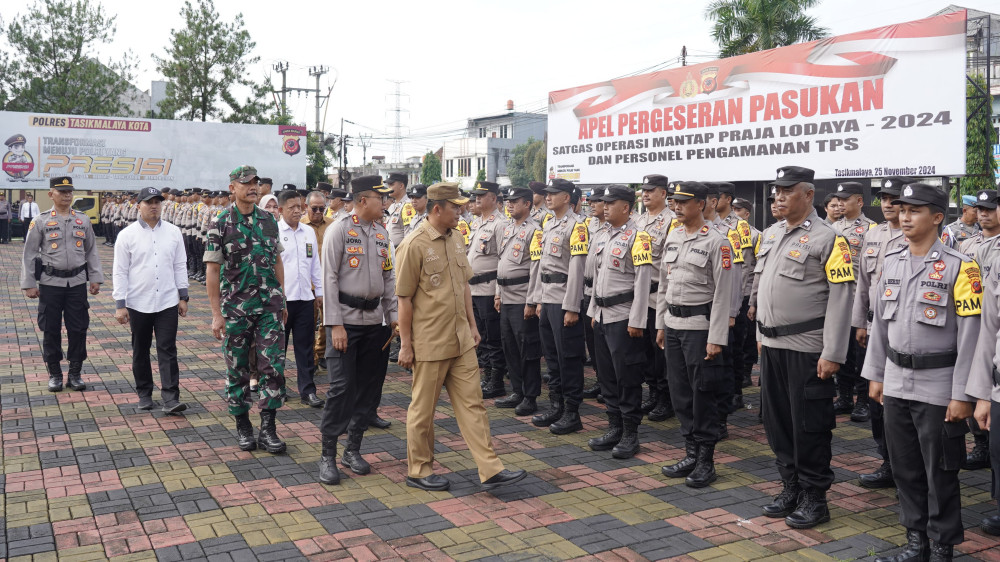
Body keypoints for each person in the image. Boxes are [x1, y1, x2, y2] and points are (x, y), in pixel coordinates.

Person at [863, 182, 981, 562]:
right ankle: (916, 542)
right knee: (905, 469)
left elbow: (971, 337)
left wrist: (962, 393)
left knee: (940, 472)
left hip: (938, 386)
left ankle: (942, 545)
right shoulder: (893, 260)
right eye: (902, 209)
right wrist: (876, 374)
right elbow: (880, 324)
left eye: (915, 210)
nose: (905, 216)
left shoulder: (962, 267)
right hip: (896, 380)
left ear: (936, 217)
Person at [395, 181, 527, 492]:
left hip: (460, 339)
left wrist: (472, 325)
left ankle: (490, 468)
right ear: (437, 209)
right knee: (423, 410)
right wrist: (406, 344)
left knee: (473, 405)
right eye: (456, 206)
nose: (462, 210)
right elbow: (403, 298)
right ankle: (419, 470)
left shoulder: (456, 237)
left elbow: (464, 285)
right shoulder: (414, 244)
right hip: (429, 341)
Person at [754, 166, 854, 529]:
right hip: (773, 343)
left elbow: (842, 299)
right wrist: (760, 336)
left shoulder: (829, 239)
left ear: (808, 195)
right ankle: (790, 486)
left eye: (787, 190)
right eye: (776, 190)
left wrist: (833, 353)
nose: (778, 196)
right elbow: (762, 289)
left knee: (809, 425)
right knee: (778, 422)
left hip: (808, 348)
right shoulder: (771, 234)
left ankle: (815, 496)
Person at [204, 165, 289, 454]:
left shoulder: (268, 220)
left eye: (255, 182)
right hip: (236, 309)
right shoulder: (220, 223)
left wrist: (283, 299)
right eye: (246, 183)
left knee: (272, 367)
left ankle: (268, 429)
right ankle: (243, 425)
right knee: (237, 368)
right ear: (233, 188)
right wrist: (216, 314)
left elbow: (277, 261)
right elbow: (213, 271)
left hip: (269, 306)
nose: (253, 187)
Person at [317, 175, 396, 484]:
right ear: (364, 200)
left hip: (376, 324)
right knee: (341, 389)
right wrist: (335, 324)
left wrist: (393, 318)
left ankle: (353, 449)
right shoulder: (339, 229)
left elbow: (389, 279)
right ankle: (328, 455)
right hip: (346, 324)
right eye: (381, 198)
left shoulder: (381, 233)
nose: (385, 203)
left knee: (368, 388)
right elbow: (329, 279)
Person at [656, 181, 735, 486]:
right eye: (674, 202)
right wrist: (661, 325)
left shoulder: (718, 242)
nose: (676, 207)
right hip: (674, 326)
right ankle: (690, 451)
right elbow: (665, 284)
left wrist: (716, 338)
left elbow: (723, 294)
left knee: (703, 394)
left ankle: (706, 460)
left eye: (683, 202)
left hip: (700, 330)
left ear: (701, 204)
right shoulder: (673, 235)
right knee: (680, 393)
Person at [851, 177, 911, 490]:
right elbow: (864, 282)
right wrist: (859, 322)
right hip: (874, 328)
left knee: (900, 401)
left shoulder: (920, 234)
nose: (888, 204)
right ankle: (887, 461)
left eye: (894, 199)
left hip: (904, 331)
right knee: (876, 399)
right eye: (884, 198)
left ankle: (907, 467)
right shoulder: (873, 234)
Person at [586, 185, 652, 459]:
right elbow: (598, 277)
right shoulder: (602, 235)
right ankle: (613, 427)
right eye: (604, 203)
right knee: (607, 376)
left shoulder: (639, 238)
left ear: (625, 207)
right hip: (601, 315)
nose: (605, 207)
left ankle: (630, 433)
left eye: (610, 203)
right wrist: (592, 311)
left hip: (624, 317)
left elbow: (643, 282)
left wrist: (637, 320)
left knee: (627, 377)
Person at [20, 176, 103, 392]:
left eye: (69, 191)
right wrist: (29, 283)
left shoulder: (82, 220)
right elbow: (29, 254)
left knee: (78, 329)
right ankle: (55, 374)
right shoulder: (40, 221)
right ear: (51, 194)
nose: (67, 195)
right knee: (50, 329)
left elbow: (91, 250)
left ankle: (75, 373)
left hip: (77, 283)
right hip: (50, 283)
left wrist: (95, 277)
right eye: (62, 191)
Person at [112, 187, 189, 413]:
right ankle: (144, 394)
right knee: (141, 349)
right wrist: (120, 303)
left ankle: (171, 398)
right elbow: (120, 271)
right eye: (148, 202)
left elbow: (179, 265)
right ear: (139, 206)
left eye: (157, 202)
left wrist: (183, 296)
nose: (154, 206)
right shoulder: (127, 235)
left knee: (167, 349)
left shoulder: (174, 232)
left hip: (167, 300)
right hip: (138, 302)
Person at [529, 178, 589, 434]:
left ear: (567, 197)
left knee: (569, 358)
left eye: (554, 193)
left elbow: (577, 268)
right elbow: (543, 266)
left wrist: (572, 306)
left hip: (565, 298)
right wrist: (540, 299)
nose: (548, 197)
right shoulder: (548, 223)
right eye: (547, 193)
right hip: (548, 297)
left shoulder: (578, 226)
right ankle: (556, 405)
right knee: (552, 357)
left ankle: (572, 412)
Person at [955, 189, 999, 472]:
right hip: (971, 325)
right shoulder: (966, 245)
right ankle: (980, 443)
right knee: (971, 385)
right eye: (980, 209)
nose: (983, 213)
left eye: (990, 209)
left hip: (993, 327)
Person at [493, 187, 543, 415]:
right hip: (505, 296)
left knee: (527, 349)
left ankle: (530, 396)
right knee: (509, 347)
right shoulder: (507, 228)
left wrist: (532, 302)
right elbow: (501, 263)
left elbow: (536, 269)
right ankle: (517, 391)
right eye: (508, 201)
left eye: (515, 201)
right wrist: (497, 293)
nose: (509, 204)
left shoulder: (535, 231)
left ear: (527, 204)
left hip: (523, 297)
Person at [830, 182, 877, 423]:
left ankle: (863, 401)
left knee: (861, 353)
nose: (839, 203)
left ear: (859, 201)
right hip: (838, 299)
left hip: (860, 299)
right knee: (843, 351)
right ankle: (845, 397)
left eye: (845, 199)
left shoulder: (871, 229)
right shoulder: (832, 227)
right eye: (837, 199)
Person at [276, 189, 324, 407]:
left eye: (300, 207)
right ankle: (278, 388)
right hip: (282, 301)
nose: (297, 211)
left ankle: (308, 390)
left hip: (306, 298)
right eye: (291, 207)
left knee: (305, 348)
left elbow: (315, 265)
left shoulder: (308, 232)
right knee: (279, 348)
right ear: (280, 210)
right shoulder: (273, 231)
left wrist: (320, 292)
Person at [635, 175, 676, 418]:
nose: (646, 194)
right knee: (645, 351)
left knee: (661, 350)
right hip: (639, 296)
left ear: (663, 193)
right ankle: (652, 392)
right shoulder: (639, 221)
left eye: (651, 190)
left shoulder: (672, 221)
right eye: (644, 190)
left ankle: (665, 397)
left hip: (659, 296)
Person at [468, 181, 507, 398]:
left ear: (493, 198)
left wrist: (499, 292)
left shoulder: (500, 224)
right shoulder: (476, 223)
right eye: (476, 196)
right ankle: (486, 378)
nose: (477, 199)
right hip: (473, 288)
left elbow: (503, 259)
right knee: (480, 336)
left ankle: (496, 381)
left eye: (482, 196)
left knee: (493, 338)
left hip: (489, 288)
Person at [302, 190, 335, 371]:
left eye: (322, 209)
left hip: (327, 282)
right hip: (307, 284)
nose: (318, 212)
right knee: (308, 324)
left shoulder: (332, 225)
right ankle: (312, 358)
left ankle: (320, 353)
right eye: (314, 208)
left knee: (327, 322)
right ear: (306, 207)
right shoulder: (299, 226)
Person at [581, 186, 609, 400]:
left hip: (604, 291)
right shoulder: (590, 224)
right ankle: (601, 380)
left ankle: (609, 384)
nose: (592, 205)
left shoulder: (612, 227)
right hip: (587, 289)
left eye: (597, 201)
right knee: (592, 342)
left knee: (605, 344)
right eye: (591, 201)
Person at [385, 172, 412, 247]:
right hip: (390, 251)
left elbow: (409, 235)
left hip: (399, 250)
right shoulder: (392, 206)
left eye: (391, 185)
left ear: (401, 186)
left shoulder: (408, 206)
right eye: (388, 185)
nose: (388, 188)